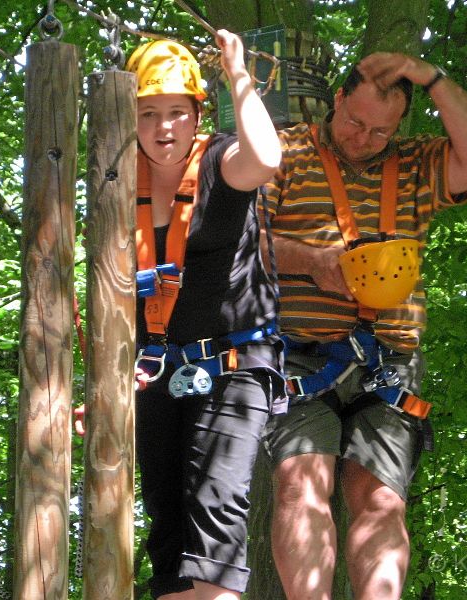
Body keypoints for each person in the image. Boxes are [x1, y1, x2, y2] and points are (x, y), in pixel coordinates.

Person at [261, 52, 467, 600]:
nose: (364, 137)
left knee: (382, 501)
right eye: (355, 121)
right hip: (300, 356)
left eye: (380, 130)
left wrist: (433, 77)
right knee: (301, 484)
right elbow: (242, 243)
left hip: (388, 363)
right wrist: (314, 261)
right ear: (338, 99)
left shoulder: (418, 163)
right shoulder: (284, 151)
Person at [126, 31, 284, 600]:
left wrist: (237, 75)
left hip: (234, 362)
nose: (163, 128)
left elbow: (266, 158)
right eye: (148, 114)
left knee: (216, 508)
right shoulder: (119, 182)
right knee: (168, 526)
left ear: (198, 114)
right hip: (157, 369)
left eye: (176, 112)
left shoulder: (222, 161)